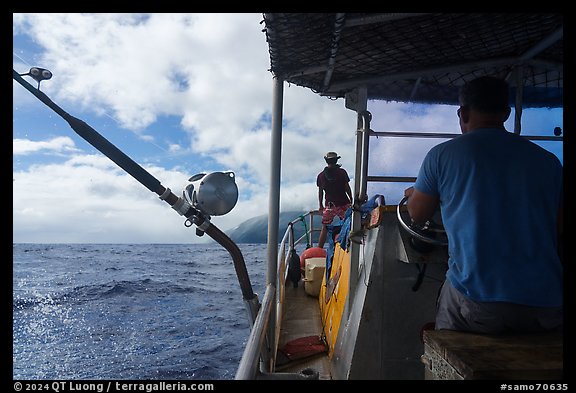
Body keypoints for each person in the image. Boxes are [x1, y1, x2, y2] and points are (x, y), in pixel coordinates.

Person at [405, 75, 563, 334]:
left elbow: (418, 213)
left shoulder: (441, 156)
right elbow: (558, 226)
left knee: (449, 299)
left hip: (479, 303)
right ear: (506, 113)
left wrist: (416, 193)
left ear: (463, 113)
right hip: (547, 304)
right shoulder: (549, 161)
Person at [317, 152, 353, 248]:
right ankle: (347, 246)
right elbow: (347, 187)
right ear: (336, 160)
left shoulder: (321, 176)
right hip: (344, 203)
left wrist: (320, 205)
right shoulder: (342, 172)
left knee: (324, 227)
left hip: (330, 205)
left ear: (327, 161)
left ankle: (319, 249)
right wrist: (351, 199)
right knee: (348, 223)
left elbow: (320, 192)